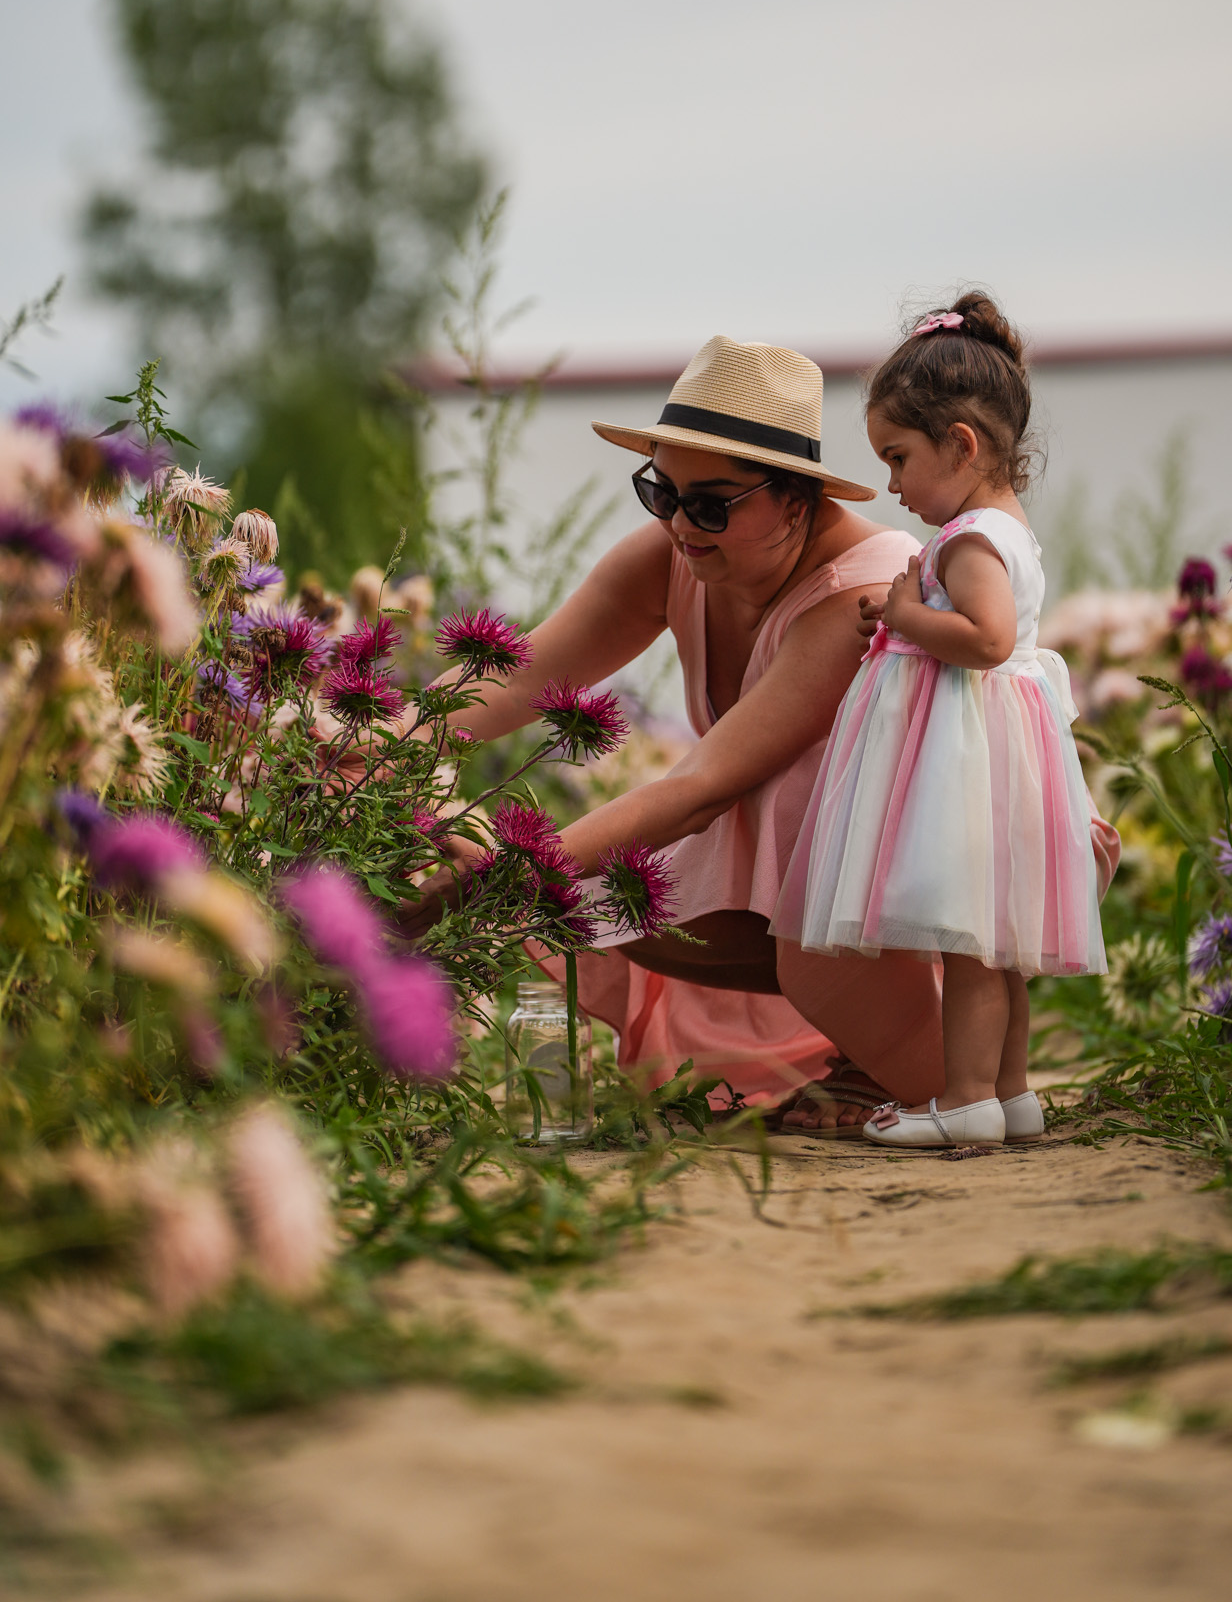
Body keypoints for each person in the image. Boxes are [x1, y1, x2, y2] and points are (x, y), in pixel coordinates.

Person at [406, 335, 947, 1129]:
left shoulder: (862, 590)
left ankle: (904, 1052)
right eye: (661, 493)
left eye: (710, 505)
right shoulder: (674, 556)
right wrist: (374, 745)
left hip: (925, 866)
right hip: (809, 880)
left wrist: (503, 874)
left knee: (615, 883)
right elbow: (517, 679)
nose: (681, 526)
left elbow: (701, 789)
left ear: (797, 499)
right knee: (602, 893)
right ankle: (863, 1044)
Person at [772, 293, 1117, 1147]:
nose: (890, 482)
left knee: (969, 943)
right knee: (998, 947)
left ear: (959, 445)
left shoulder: (968, 538)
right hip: (1006, 755)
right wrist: (900, 619)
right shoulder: (1006, 528)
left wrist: (903, 617)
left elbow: (987, 640)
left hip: (972, 761)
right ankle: (1009, 1095)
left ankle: (964, 1099)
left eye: (897, 456)